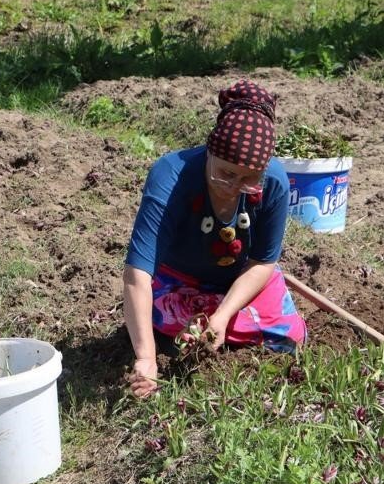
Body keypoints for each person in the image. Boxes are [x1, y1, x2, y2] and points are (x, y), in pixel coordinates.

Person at [123, 80, 307, 398]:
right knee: (156, 313)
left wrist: (221, 317)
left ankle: (215, 327)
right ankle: (167, 336)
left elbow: (263, 262)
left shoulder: (274, 183)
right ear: (210, 151)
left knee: (289, 334)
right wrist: (146, 358)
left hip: (240, 283)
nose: (234, 186)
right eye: (225, 174)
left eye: (249, 179)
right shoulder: (170, 176)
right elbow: (137, 274)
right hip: (179, 279)